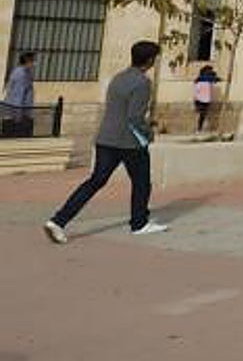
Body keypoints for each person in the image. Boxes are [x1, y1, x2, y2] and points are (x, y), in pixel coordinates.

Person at [43, 41, 168, 244]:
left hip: (106, 138)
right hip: (129, 142)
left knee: (95, 181)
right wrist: (149, 133)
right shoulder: (142, 82)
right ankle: (139, 223)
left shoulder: (118, 77)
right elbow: (134, 117)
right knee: (142, 182)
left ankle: (58, 220)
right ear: (150, 60)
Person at [2, 50, 35, 137]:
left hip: (19, 115)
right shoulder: (21, 74)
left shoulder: (25, 73)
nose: (34, 64)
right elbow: (18, 96)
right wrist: (18, 117)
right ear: (27, 61)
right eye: (32, 61)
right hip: (16, 117)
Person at [192, 64, 219, 132]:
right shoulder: (205, 78)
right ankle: (199, 128)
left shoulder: (201, 79)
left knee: (202, 115)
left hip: (204, 99)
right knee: (202, 114)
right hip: (201, 99)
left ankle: (199, 128)